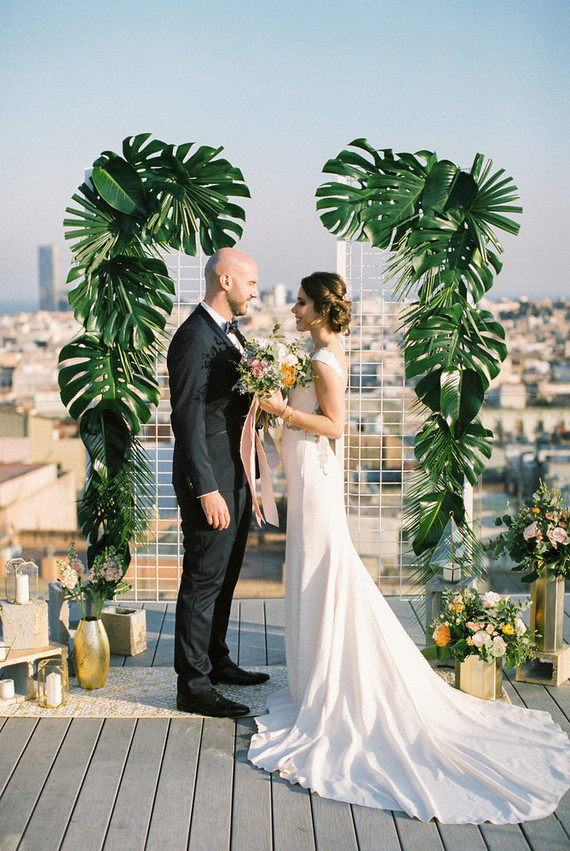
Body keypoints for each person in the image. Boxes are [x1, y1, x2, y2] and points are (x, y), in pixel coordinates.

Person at [248, 271, 570, 823]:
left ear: (321, 310)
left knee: (324, 566)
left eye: (300, 302)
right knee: (312, 566)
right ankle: (316, 672)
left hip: (317, 474)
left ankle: (329, 674)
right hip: (306, 474)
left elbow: (334, 425)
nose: (293, 308)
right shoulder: (311, 351)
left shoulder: (325, 360)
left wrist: (280, 411)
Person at [168, 247, 269, 718]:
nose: (256, 290)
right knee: (203, 579)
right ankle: (193, 683)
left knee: (224, 576)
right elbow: (186, 419)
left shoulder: (231, 335)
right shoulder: (193, 339)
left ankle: (216, 658)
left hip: (237, 474)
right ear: (225, 281)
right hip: (211, 481)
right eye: (250, 282)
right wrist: (206, 488)